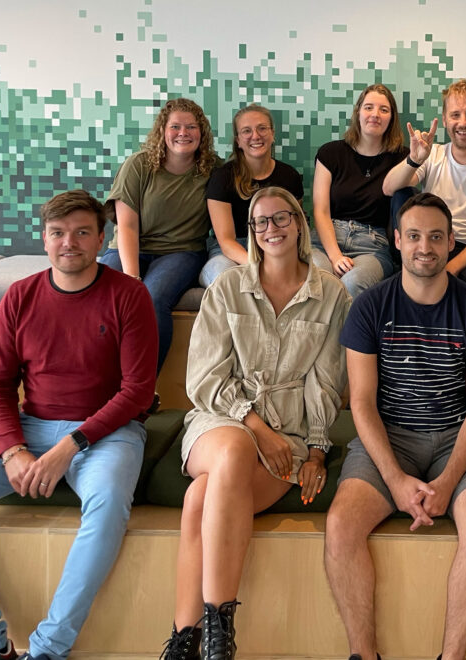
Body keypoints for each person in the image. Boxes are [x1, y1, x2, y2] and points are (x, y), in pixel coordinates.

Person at [0, 190, 158, 660]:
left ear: (101, 239)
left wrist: (70, 447)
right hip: (32, 424)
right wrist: (12, 450)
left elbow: (138, 391)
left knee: (106, 508)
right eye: (58, 233)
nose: (70, 243)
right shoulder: (20, 296)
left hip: (106, 433)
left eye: (83, 232)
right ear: (44, 240)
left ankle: (48, 650)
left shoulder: (129, 294)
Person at [162, 187, 351, 660]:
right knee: (234, 450)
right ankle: (221, 628)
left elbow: (325, 383)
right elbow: (203, 378)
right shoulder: (226, 288)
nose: (272, 230)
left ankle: (185, 641)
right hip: (221, 421)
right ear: (250, 232)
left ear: (300, 223)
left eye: (281, 219)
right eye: (261, 223)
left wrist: (314, 449)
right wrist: (256, 428)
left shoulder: (330, 293)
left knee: (199, 498)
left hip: (286, 435)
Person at [325, 192, 466, 660]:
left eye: (436, 237)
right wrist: (395, 480)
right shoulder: (368, 307)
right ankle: (364, 655)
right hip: (390, 438)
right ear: (398, 242)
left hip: (459, 441)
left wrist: (445, 482)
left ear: (450, 244)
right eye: (415, 236)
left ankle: (451, 656)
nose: (425, 246)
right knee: (341, 526)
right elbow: (361, 404)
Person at [382, 79, 466, 328]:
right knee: (402, 193)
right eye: (455, 115)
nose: (463, 123)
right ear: (444, 120)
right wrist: (413, 159)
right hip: (430, 243)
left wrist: (452, 266)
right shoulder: (432, 155)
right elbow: (388, 188)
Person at [103, 97, 220, 373]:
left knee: (152, 298)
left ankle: (141, 388)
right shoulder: (139, 165)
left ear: (201, 133)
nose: (183, 133)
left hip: (181, 251)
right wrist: (132, 278)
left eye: (191, 127)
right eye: (175, 126)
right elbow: (127, 227)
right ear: (162, 131)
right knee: (102, 294)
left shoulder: (213, 169)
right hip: (129, 247)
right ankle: (96, 380)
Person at [200, 104, 327, 286]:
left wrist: (281, 259)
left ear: (273, 134)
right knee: (226, 276)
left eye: (262, 128)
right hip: (232, 251)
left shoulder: (289, 176)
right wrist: (259, 266)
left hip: (279, 244)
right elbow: (226, 241)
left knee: (320, 267)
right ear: (238, 140)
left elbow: (296, 227)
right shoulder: (222, 178)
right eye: (246, 131)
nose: (256, 136)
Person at [313, 83, 410, 297]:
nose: (375, 115)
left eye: (383, 110)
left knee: (353, 283)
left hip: (373, 245)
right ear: (358, 112)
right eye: (368, 107)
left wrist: (414, 160)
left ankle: (352, 333)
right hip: (325, 240)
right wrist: (335, 256)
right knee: (320, 280)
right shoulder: (331, 153)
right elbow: (320, 211)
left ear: (391, 118)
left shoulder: (402, 157)